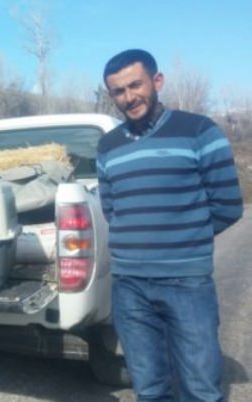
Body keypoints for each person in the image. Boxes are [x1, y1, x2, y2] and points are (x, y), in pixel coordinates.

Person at [96, 49, 243, 401]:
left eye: (136, 85)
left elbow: (227, 205)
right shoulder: (107, 146)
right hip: (129, 286)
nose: (129, 97)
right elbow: (111, 207)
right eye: (118, 91)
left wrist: (184, 239)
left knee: (200, 387)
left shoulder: (199, 131)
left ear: (156, 81)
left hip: (186, 283)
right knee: (148, 388)